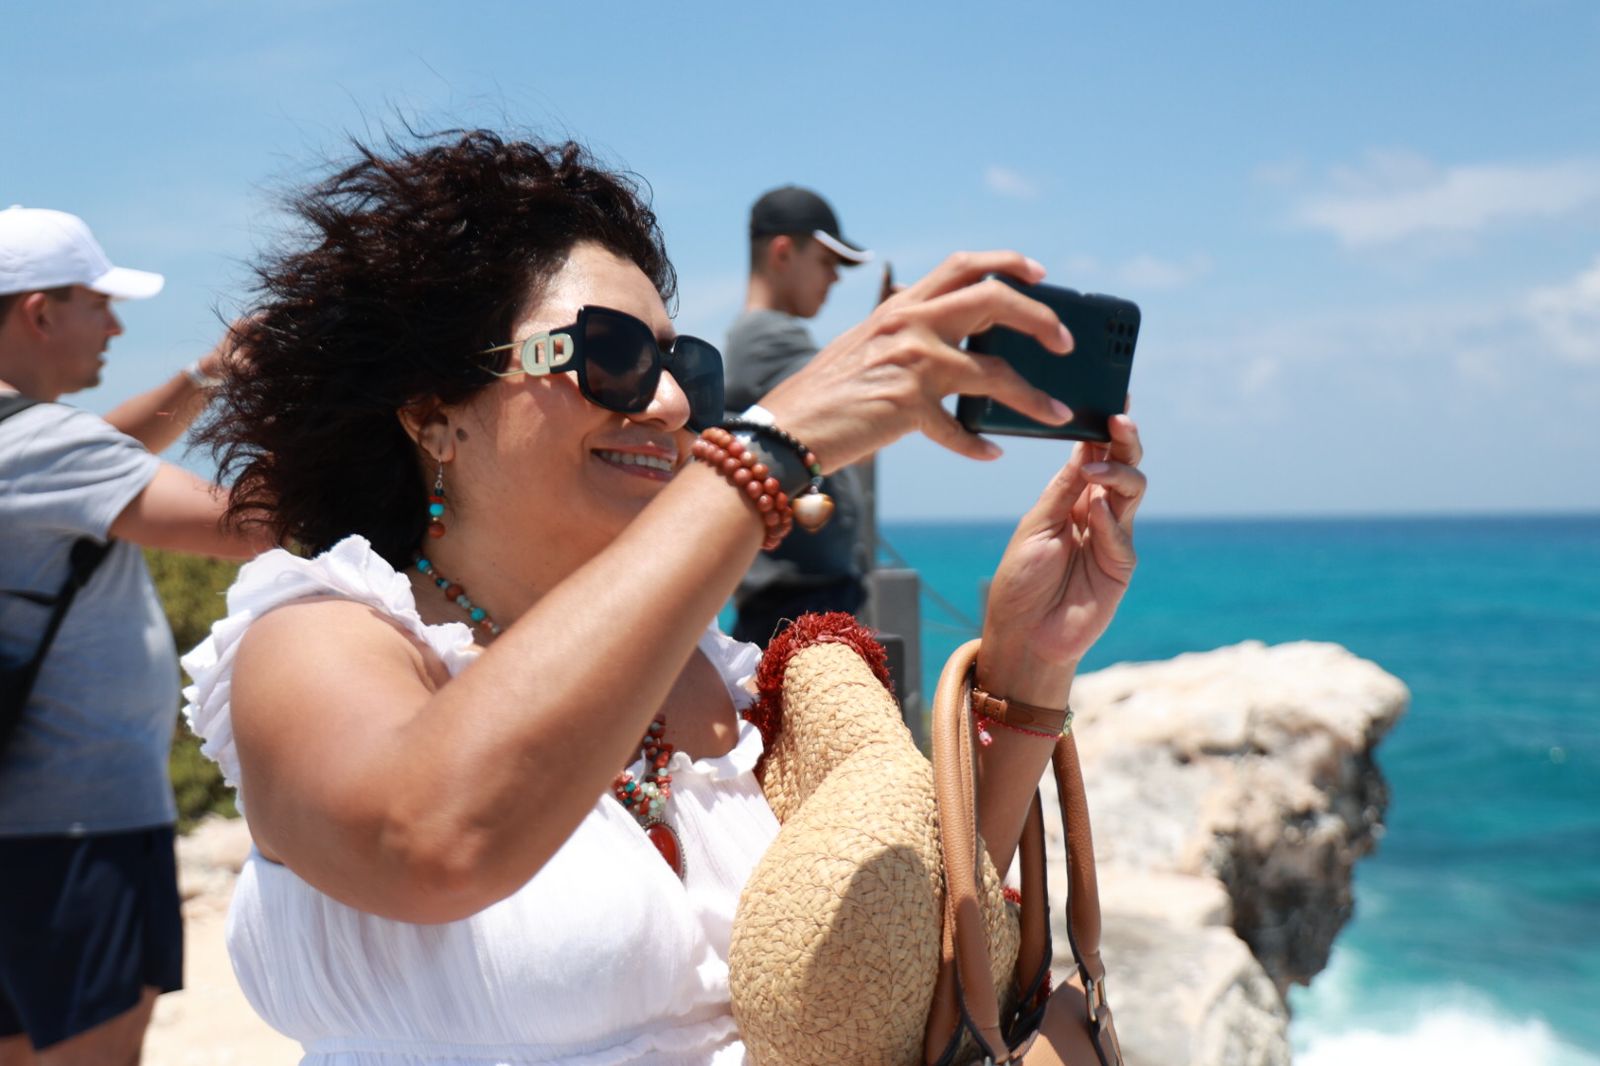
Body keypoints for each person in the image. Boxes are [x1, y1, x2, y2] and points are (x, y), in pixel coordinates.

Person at [181, 130, 1147, 1065]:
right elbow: (430, 840)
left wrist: (1029, 662)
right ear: (435, 417)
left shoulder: (729, 684)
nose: (676, 407)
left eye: (686, 367)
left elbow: (901, 955)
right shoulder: (319, 639)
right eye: (611, 356)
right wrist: (766, 453)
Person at [0, 206, 261, 1065]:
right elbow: (247, 526)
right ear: (40, 312)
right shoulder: (45, 445)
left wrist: (211, 376)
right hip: (82, 829)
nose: (115, 325)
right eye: (98, 302)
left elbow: (103, 453)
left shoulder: (25, 445)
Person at [722, 186, 875, 644]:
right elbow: (871, 423)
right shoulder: (769, 338)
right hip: (797, 603)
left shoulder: (759, 339)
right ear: (784, 252)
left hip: (791, 600)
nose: (835, 279)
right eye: (828, 262)